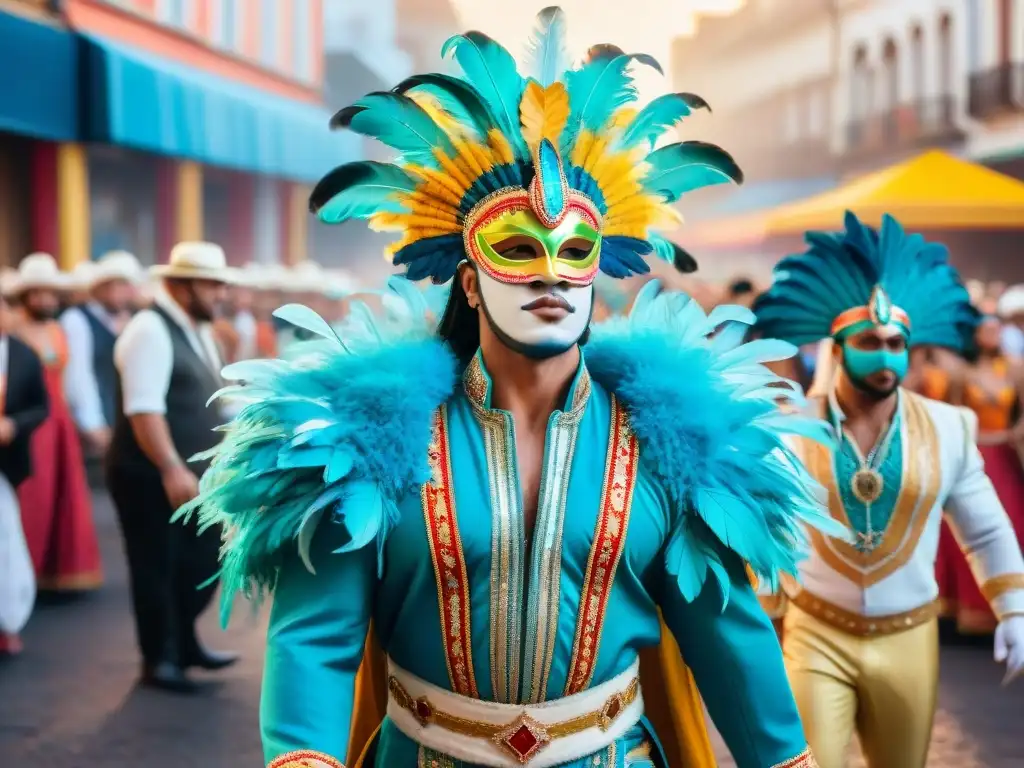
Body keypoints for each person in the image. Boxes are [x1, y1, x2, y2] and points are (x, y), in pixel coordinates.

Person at [182, 8, 840, 767]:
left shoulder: (672, 443)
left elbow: (728, 634)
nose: (552, 273)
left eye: (575, 251)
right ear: (468, 279)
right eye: (519, 248)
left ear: (598, 272)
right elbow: (314, 636)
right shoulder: (366, 441)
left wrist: (785, 757)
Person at [753, 211, 1024, 768]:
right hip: (815, 633)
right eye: (869, 341)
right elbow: (765, 533)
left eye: (896, 342)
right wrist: (756, 624)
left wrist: (1014, 608)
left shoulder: (949, 427)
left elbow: (987, 529)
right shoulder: (788, 427)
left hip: (909, 635)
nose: (885, 355)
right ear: (838, 346)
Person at [107, 242, 239, 693]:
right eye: (213, 284)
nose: (221, 293)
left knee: (198, 561)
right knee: (156, 564)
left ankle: (183, 643)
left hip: (191, 474)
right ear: (182, 286)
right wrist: (170, 467)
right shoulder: (149, 328)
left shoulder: (199, 329)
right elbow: (144, 410)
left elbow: (214, 399)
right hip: (149, 474)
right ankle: (159, 659)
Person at [9, 253, 102, 592]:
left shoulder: (57, 329)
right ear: (26, 295)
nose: (45, 300)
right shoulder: (13, 331)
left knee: (64, 497)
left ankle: (57, 572)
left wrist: (86, 421)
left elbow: (75, 378)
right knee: (32, 498)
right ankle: (21, 579)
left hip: (59, 420)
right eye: (38, 293)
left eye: (50, 293)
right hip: (31, 424)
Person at [939, 313, 1024, 633]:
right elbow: (952, 413)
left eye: (995, 328)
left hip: (1004, 455)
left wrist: (1013, 436)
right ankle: (967, 608)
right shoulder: (962, 373)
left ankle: (1009, 607)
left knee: (1011, 525)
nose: (991, 334)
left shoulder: (1014, 370)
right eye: (985, 329)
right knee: (963, 530)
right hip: (974, 453)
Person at [0, 288, 49, 655]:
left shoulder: (22, 355)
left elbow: (41, 407)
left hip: (6, 464)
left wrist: (14, 426)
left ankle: (9, 621)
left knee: (6, 541)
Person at [59, 250, 143, 451]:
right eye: (112, 285)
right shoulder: (77, 319)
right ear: (98, 288)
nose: (118, 292)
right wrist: (92, 423)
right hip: (97, 424)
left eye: (123, 285)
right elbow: (78, 375)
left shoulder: (132, 318)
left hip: (125, 420)